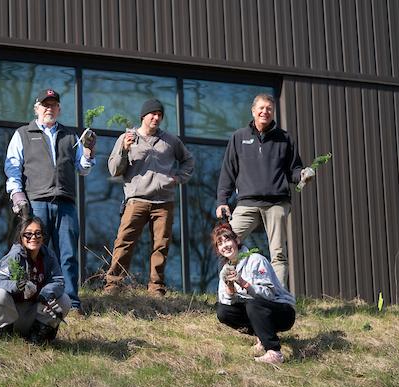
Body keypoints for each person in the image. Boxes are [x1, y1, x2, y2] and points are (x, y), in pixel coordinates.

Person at [4, 88, 96, 316]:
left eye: (53, 105)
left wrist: (89, 151)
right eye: (45, 104)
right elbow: (12, 168)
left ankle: (72, 303)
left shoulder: (70, 135)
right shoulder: (23, 133)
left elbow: (83, 170)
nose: (49, 108)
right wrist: (18, 196)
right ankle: (34, 299)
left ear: (59, 109)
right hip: (36, 202)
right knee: (35, 254)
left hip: (65, 203)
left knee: (68, 255)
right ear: (36, 108)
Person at [215, 93, 313, 287]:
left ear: (273, 112)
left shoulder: (284, 138)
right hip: (246, 203)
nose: (264, 112)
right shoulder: (239, 137)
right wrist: (222, 201)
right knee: (226, 243)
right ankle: (228, 292)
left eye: (269, 108)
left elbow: (293, 169)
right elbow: (228, 172)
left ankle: (278, 297)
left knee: (278, 253)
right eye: (261, 108)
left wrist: (303, 175)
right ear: (253, 111)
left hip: (276, 203)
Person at [104, 98, 194, 296]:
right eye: (153, 114)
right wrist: (124, 150)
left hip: (164, 202)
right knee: (124, 242)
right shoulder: (127, 138)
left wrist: (178, 178)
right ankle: (113, 285)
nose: (156, 117)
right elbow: (114, 170)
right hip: (136, 200)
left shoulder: (171, 140)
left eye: (160, 115)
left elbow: (188, 160)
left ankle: (156, 287)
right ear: (143, 116)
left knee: (161, 245)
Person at [213, 222, 296, 364]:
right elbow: (227, 302)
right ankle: (261, 335)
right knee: (223, 311)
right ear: (218, 249)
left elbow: (269, 294)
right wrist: (230, 289)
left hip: (282, 311)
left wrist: (243, 283)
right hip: (256, 311)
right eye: (220, 243)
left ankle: (274, 352)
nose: (225, 245)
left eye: (227, 240)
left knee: (253, 303)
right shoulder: (225, 271)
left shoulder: (256, 259)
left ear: (237, 241)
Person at [0, 216, 70, 344]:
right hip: (11, 313)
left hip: (34, 312)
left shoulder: (49, 256)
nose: (33, 237)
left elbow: (59, 281)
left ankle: (37, 337)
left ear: (43, 237)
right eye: (28, 234)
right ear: (21, 237)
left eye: (38, 233)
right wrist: (17, 285)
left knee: (65, 300)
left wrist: (45, 294)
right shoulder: (14, 256)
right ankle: (5, 336)